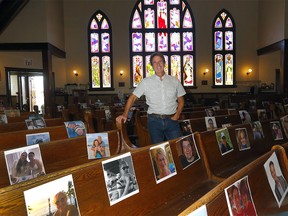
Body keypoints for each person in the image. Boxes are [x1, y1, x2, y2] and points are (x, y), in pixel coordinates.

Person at [116, 52, 186, 144]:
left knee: (178, 147)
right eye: (155, 62)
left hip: (171, 120)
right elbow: (132, 98)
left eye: (160, 61)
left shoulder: (174, 81)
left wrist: (177, 115)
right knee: (157, 150)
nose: (158, 64)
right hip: (154, 121)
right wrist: (125, 114)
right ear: (152, 65)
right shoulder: (145, 82)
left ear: (164, 63)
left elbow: (181, 100)